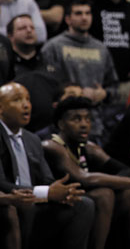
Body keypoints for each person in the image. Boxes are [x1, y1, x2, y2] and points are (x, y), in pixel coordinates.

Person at [42, 96, 130, 249]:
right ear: (61, 124)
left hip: (84, 200)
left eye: (88, 119)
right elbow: (84, 178)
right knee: (104, 194)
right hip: (56, 203)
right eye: (76, 119)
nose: (84, 124)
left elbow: (125, 171)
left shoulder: (89, 147)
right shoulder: (52, 146)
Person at [0, 82, 94, 248]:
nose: (25, 105)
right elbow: (1, 183)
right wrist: (46, 192)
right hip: (12, 203)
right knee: (23, 207)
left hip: (37, 202)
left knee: (83, 204)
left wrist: (62, 192)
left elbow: (47, 178)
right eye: (17, 100)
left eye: (28, 99)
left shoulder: (33, 139)